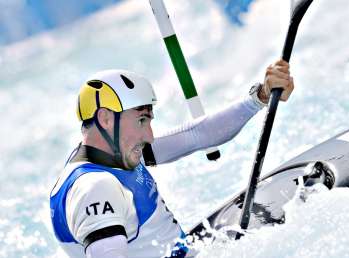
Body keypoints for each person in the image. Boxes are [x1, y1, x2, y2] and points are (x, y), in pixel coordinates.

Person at [49, 59, 294, 258]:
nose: (150, 135)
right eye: (142, 120)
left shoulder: (112, 153)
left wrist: (260, 97)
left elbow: (197, 135)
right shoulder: (96, 188)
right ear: (105, 119)